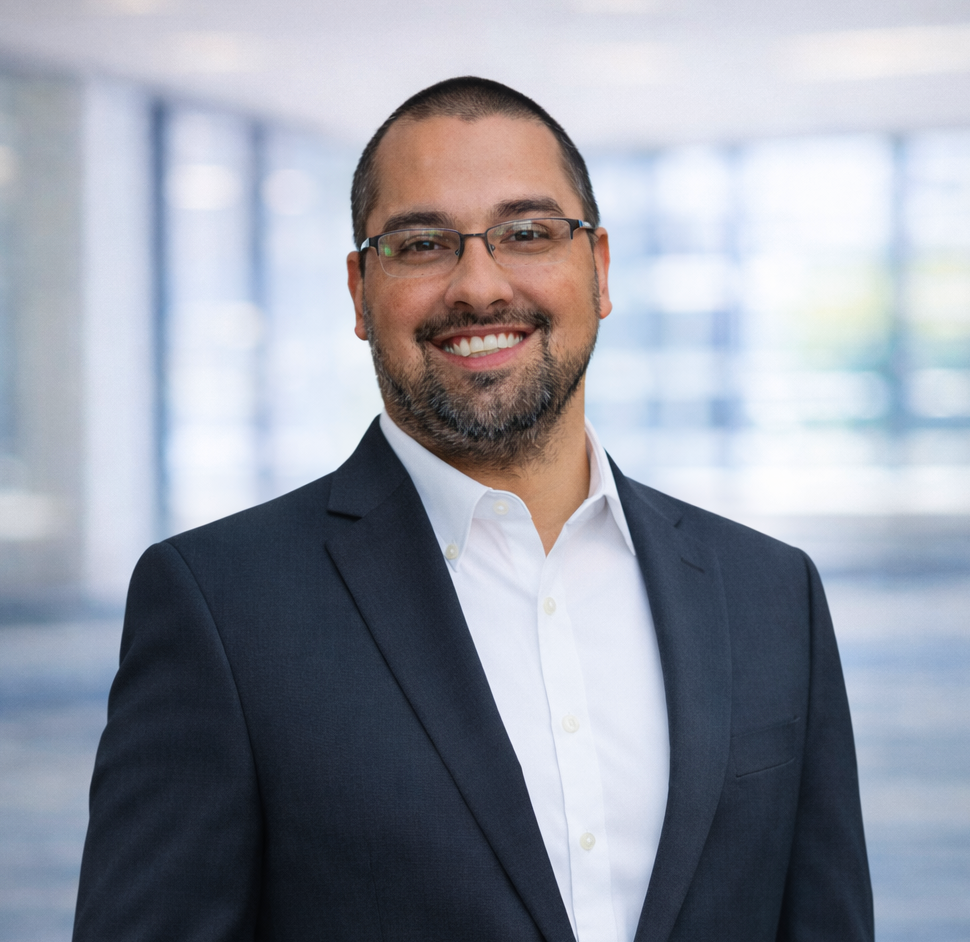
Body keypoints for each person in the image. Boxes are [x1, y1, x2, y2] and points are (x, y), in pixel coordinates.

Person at [74, 77, 874, 942]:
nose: (479, 285)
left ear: (599, 269)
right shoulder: (220, 606)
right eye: (422, 244)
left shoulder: (769, 592)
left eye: (528, 233)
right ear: (358, 292)